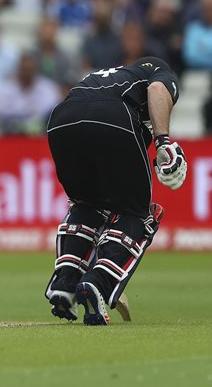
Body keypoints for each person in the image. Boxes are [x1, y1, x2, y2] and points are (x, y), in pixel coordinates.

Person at [45, 56, 187, 326]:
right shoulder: (160, 71)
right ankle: (98, 284)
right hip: (111, 116)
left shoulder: (110, 77)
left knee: (87, 205)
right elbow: (158, 90)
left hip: (60, 118)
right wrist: (164, 143)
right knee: (136, 212)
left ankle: (65, 282)